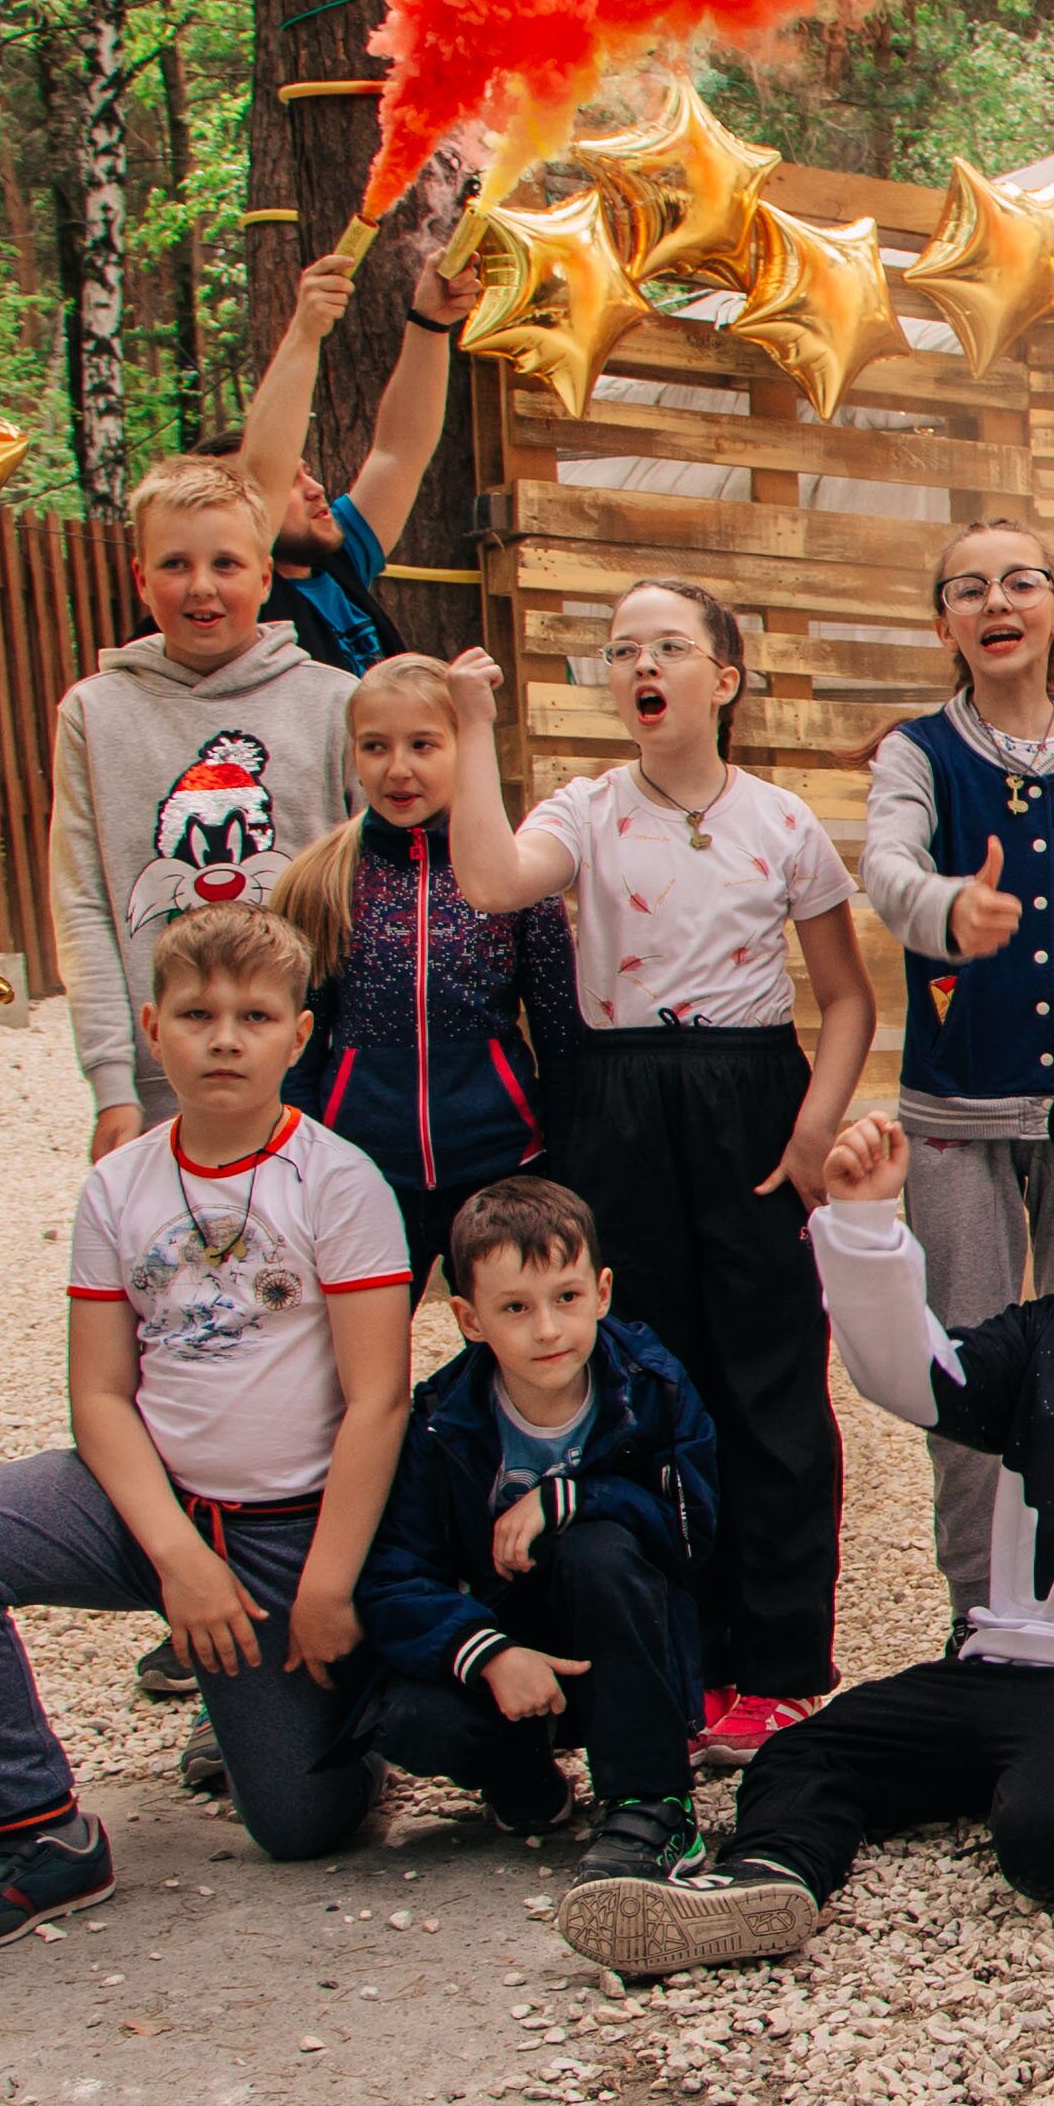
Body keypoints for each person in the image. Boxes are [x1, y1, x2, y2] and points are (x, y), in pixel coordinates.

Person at [557, 1070, 1054, 1975]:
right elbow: (914, 1377)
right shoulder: (1039, 1332)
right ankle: (768, 1879)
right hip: (1006, 1661)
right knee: (802, 1756)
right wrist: (865, 1224)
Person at [0, 907, 408, 1920]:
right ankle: (41, 1829)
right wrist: (178, 1559)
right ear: (154, 1029)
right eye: (197, 1015)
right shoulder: (118, 1186)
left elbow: (377, 1398)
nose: (224, 1039)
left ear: (299, 1037)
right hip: (148, 1509)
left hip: (289, 1533)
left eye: (255, 1017)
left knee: (301, 1828)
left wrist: (329, 1582)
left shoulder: (339, 1182)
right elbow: (100, 1395)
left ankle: (320, 1716)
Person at [437, 588, 871, 1757]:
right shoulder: (585, 812)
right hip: (618, 1099)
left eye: (669, 647)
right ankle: (682, 1659)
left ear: (723, 679)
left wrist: (812, 1132)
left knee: (772, 1380)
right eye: (622, 649)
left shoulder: (782, 822)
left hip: (751, 1095)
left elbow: (845, 998)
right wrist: (472, 726)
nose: (642, 665)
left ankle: (782, 1665)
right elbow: (491, 880)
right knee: (646, 1375)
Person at [856, 514, 1054, 1636]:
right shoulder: (916, 753)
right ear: (945, 627)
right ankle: (975, 1610)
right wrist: (943, 908)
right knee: (965, 1365)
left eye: (1019, 582)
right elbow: (886, 863)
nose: (994, 602)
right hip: (955, 1112)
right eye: (966, 589)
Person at [348, 1176, 717, 1885]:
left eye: (566, 1298)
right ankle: (522, 1776)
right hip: (508, 1648)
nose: (547, 1329)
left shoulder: (652, 1387)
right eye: (515, 1307)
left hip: (622, 1645)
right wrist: (490, 1654)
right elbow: (395, 1574)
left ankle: (653, 1804)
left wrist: (574, 1497)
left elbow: (691, 1533)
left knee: (598, 1545)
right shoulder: (442, 1418)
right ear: (469, 1318)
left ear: (602, 1292)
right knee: (410, 1718)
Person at [53, 450, 358, 1169]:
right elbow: (83, 905)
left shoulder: (336, 705)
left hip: (314, 1076)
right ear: (140, 577)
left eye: (226, 564)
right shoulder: (93, 715)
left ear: (264, 575)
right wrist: (111, 1083)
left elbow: (366, 895)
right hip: (163, 1087)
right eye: (175, 564)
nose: (201, 587)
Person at [274, 653, 573, 1287]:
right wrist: (301, 1162)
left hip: (503, 1169)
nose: (398, 768)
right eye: (375, 746)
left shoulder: (517, 878)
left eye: (422, 744)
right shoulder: (320, 880)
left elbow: (561, 1036)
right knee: (361, 1342)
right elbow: (296, 1047)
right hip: (363, 1172)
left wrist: (568, 1161)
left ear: (465, 747)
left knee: (510, 1334)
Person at [227, 205, 471, 677]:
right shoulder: (242, 604)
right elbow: (262, 472)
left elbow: (399, 452)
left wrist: (430, 323)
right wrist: (305, 331)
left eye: (305, 473)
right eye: (287, 482)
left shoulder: (339, 562)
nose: (315, 488)